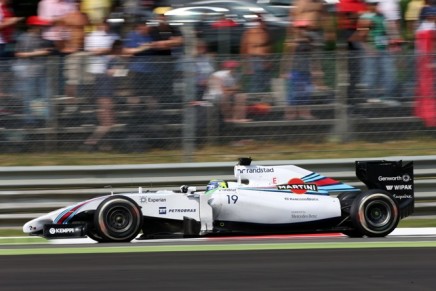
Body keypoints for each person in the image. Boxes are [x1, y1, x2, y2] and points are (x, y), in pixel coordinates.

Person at [82, 19, 119, 150]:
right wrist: (107, 51)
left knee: (108, 117)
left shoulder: (113, 37)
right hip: (101, 76)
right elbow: (92, 52)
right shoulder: (91, 37)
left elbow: (115, 53)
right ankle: (91, 142)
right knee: (107, 120)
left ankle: (101, 143)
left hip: (107, 77)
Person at [354, 0, 398, 105]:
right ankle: (371, 97)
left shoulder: (382, 16)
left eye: (376, 4)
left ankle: (388, 97)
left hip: (384, 49)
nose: (374, 6)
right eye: (372, 4)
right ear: (367, 5)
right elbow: (361, 36)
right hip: (372, 50)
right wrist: (368, 48)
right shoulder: (365, 17)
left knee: (389, 73)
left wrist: (393, 43)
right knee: (371, 73)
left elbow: (389, 31)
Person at [14, 16, 53, 127]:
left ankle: (47, 120)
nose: (42, 28)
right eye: (39, 26)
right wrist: (37, 53)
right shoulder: (24, 38)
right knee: (29, 97)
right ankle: (30, 121)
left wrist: (45, 52)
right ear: (32, 26)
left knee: (46, 96)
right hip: (28, 73)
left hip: (42, 72)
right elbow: (18, 54)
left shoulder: (42, 38)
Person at [284, 21, 317, 120]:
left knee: (306, 93)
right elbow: (288, 57)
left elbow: (313, 57)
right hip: (296, 70)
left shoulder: (309, 42)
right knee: (294, 93)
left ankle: (305, 113)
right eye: (300, 28)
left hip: (306, 71)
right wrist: (286, 71)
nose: (303, 30)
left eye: (305, 28)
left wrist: (314, 69)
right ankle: (291, 113)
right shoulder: (293, 43)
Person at [148, 13, 183, 104]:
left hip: (170, 61)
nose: (162, 20)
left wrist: (163, 43)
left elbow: (179, 41)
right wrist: (170, 42)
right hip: (157, 62)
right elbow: (154, 45)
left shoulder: (173, 29)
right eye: (160, 17)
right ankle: (158, 102)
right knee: (157, 82)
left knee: (169, 82)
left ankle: (168, 101)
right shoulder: (153, 30)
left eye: (164, 17)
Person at [414, 6, 436, 127]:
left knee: (429, 88)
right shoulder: (421, 27)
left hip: (428, 60)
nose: (432, 16)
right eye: (430, 14)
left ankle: (430, 114)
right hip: (424, 61)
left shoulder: (428, 28)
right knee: (425, 88)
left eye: (433, 14)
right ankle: (427, 113)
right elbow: (421, 46)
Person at [240, 13, 272, 94]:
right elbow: (244, 49)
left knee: (264, 82)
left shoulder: (265, 33)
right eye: (259, 21)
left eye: (261, 21)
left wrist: (268, 61)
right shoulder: (249, 33)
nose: (262, 23)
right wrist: (246, 65)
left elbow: (268, 48)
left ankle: (260, 99)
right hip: (254, 60)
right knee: (256, 82)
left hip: (264, 60)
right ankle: (254, 99)